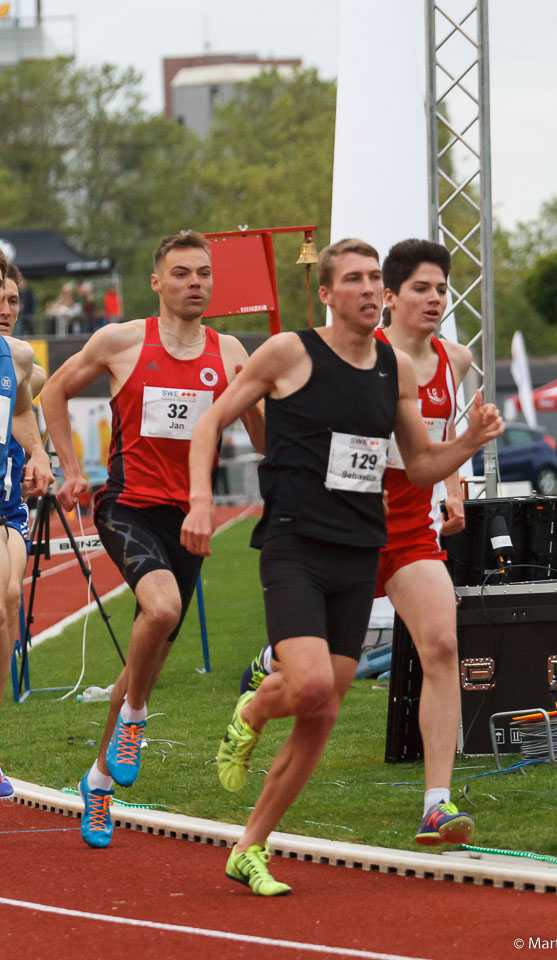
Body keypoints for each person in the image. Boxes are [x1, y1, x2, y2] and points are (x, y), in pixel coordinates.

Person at [181, 237, 503, 896]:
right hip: (297, 542)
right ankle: (251, 710)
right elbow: (212, 420)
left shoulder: (397, 371)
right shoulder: (288, 352)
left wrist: (466, 444)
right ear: (326, 293)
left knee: (324, 709)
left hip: (362, 549)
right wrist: (199, 500)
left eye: (372, 278)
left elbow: (417, 466)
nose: (365, 288)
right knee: (305, 687)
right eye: (352, 279)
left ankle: (250, 846)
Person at [240, 238, 476, 848]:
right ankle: (271, 669)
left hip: (407, 535)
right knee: (319, 682)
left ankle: (436, 802)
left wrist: (456, 485)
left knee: (443, 644)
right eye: (421, 289)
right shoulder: (361, 356)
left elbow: (434, 441)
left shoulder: (457, 359)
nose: (434, 300)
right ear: (389, 298)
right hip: (341, 528)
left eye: (442, 289)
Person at [40, 230, 264, 845]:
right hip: (128, 505)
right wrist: (73, 468)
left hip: (190, 518)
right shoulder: (121, 340)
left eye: (205, 274)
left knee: (150, 654)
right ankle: (135, 719)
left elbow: (266, 441)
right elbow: (52, 391)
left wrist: (266, 401)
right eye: (183, 273)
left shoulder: (232, 350)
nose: (196, 283)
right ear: (157, 281)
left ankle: (97, 781)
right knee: (160, 609)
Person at [0, 253, 55, 798]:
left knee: (10, 598)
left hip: (5, 509)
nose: (6, 309)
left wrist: (37, 454)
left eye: (13, 300)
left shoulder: (17, 358)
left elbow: (22, 407)